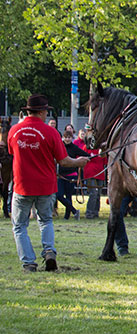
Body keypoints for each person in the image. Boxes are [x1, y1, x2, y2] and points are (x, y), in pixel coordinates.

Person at [8, 94, 89, 272]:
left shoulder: (14, 131)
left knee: (20, 226)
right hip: (45, 185)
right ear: (42, 112)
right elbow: (64, 161)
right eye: (46, 111)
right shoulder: (51, 132)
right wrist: (79, 162)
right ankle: (49, 251)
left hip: (22, 185)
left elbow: (13, 153)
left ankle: (29, 262)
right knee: (45, 221)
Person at [74, 126, 106, 219]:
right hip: (90, 174)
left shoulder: (101, 150)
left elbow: (105, 161)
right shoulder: (86, 148)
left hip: (100, 173)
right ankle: (89, 212)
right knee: (93, 193)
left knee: (98, 194)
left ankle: (96, 212)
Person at [55, 129, 88, 220]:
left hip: (71, 175)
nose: (67, 139)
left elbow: (85, 154)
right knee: (59, 195)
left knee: (68, 195)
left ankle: (67, 216)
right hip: (61, 175)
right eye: (66, 137)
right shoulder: (60, 147)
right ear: (63, 138)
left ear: (72, 138)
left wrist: (79, 161)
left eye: (69, 137)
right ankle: (74, 211)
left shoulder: (74, 147)